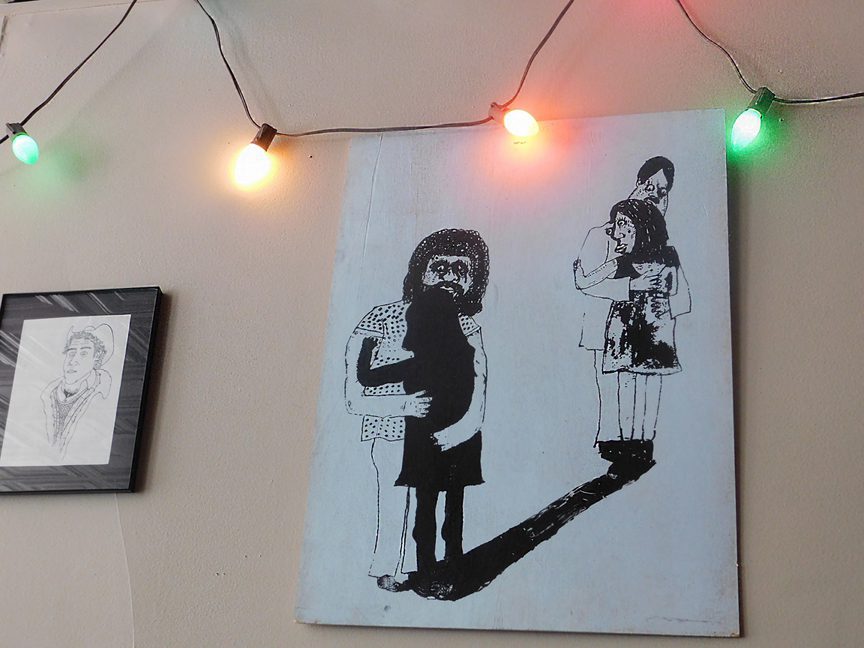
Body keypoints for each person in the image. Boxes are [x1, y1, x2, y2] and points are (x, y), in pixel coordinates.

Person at [344, 229, 489, 590]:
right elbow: (354, 394)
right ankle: (390, 567)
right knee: (396, 497)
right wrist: (402, 405)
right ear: (420, 272)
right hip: (391, 432)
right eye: (439, 267)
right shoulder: (380, 318)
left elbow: (479, 388)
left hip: (443, 436)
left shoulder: (466, 327)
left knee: (439, 504)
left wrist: (459, 432)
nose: (449, 277)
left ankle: (431, 569)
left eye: (461, 270)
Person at [356, 286, 480, 574]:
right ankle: (448, 567)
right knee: (448, 507)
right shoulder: (460, 357)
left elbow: (367, 377)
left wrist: (368, 347)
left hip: (431, 444)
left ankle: (430, 570)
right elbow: (368, 379)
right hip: (451, 443)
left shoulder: (424, 363)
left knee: (430, 509)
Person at [573, 156, 689, 447]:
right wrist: (632, 288)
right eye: (649, 185)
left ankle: (637, 443)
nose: (654, 194)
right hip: (608, 326)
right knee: (613, 389)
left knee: (643, 385)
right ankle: (613, 442)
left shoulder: (663, 248)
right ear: (637, 183)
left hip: (646, 330)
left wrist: (662, 309)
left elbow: (681, 296)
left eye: (662, 191)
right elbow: (588, 285)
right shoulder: (603, 233)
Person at [41, 324, 115, 461]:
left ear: (96, 358)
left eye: (84, 354)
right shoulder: (47, 394)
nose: (73, 361)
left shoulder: (102, 395)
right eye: (71, 353)